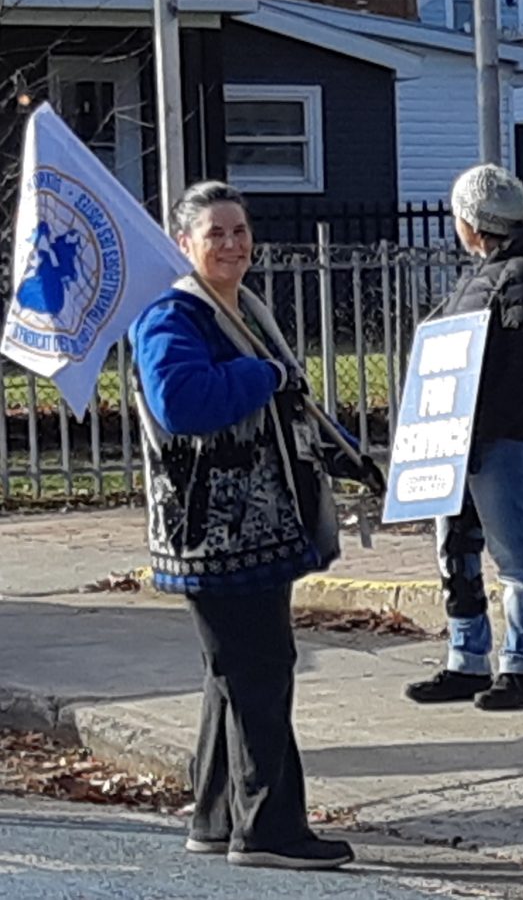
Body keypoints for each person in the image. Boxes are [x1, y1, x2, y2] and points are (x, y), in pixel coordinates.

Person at [132, 181, 369, 871]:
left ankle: (216, 816)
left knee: (231, 674)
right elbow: (182, 402)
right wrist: (261, 375)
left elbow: (287, 397)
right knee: (259, 671)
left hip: (258, 529)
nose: (233, 244)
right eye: (216, 234)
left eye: (239, 230)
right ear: (184, 244)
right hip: (214, 534)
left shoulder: (244, 310)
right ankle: (270, 829)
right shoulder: (173, 316)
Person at [404, 164, 523, 712]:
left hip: (499, 440)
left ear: (472, 222)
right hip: (457, 439)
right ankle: (466, 659)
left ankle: (522, 668)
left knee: (513, 552)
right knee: (456, 550)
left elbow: (521, 366)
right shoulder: (485, 275)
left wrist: (482, 430)